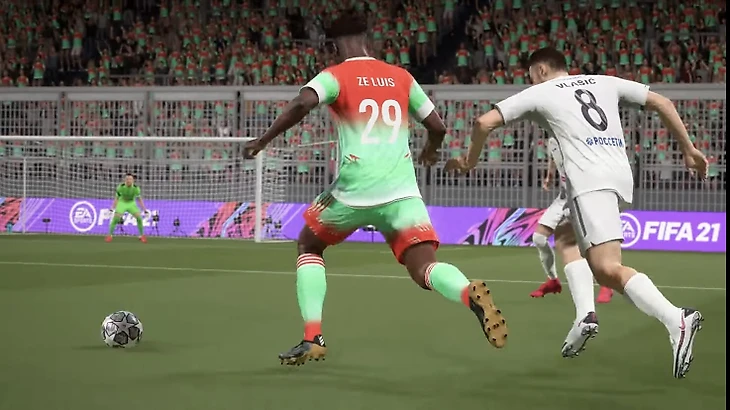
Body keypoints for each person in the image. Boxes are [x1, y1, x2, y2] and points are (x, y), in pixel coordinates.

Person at [243, 9, 508, 366]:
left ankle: (313, 337)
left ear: (334, 46)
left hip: (354, 190)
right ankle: (466, 292)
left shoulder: (334, 75)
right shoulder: (401, 77)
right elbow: (438, 127)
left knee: (309, 244)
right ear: (367, 41)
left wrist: (263, 140)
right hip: (401, 192)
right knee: (424, 268)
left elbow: (303, 102)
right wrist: (430, 151)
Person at [446, 47, 707, 378]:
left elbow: (483, 122)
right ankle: (585, 315)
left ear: (541, 71)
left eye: (531, 76)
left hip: (588, 182)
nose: (531, 81)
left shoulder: (542, 90)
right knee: (567, 239)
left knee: (607, 269)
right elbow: (663, 102)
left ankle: (676, 319)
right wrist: (688, 149)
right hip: (619, 177)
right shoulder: (604, 81)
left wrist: (468, 161)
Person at [531, 143, 614, 305]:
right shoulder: (552, 141)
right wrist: (549, 177)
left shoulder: (576, 139)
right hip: (563, 198)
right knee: (539, 238)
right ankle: (553, 281)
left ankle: (606, 284)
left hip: (582, 197)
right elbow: (553, 159)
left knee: (587, 243)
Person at [106, 173, 148, 243]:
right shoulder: (120, 187)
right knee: (116, 218)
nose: (128, 180)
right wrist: (112, 208)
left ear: (133, 180)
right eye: (127, 179)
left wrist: (145, 210)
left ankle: (141, 235)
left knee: (139, 218)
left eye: (130, 179)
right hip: (122, 203)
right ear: (125, 180)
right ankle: (109, 235)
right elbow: (116, 198)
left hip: (131, 203)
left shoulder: (136, 188)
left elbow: (139, 199)